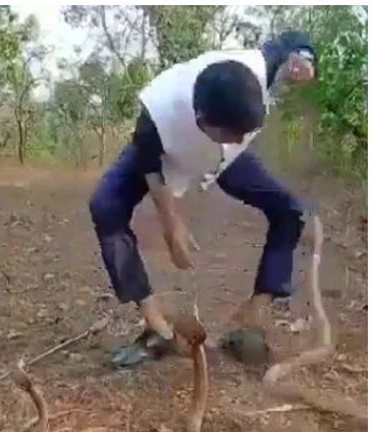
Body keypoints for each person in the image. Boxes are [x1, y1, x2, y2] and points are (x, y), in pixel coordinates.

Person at [88, 32, 318, 366]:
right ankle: (158, 329)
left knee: (289, 210)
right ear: (201, 120)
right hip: (163, 156)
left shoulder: (256, 69)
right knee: (105, 205)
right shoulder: (159, 112)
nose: (242, 138)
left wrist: (305, 57)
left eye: (247, 132)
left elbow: (292, 41)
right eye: (234, 133)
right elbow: (152, 170)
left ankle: (252, 319)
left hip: (224, 160)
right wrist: (172, 223)